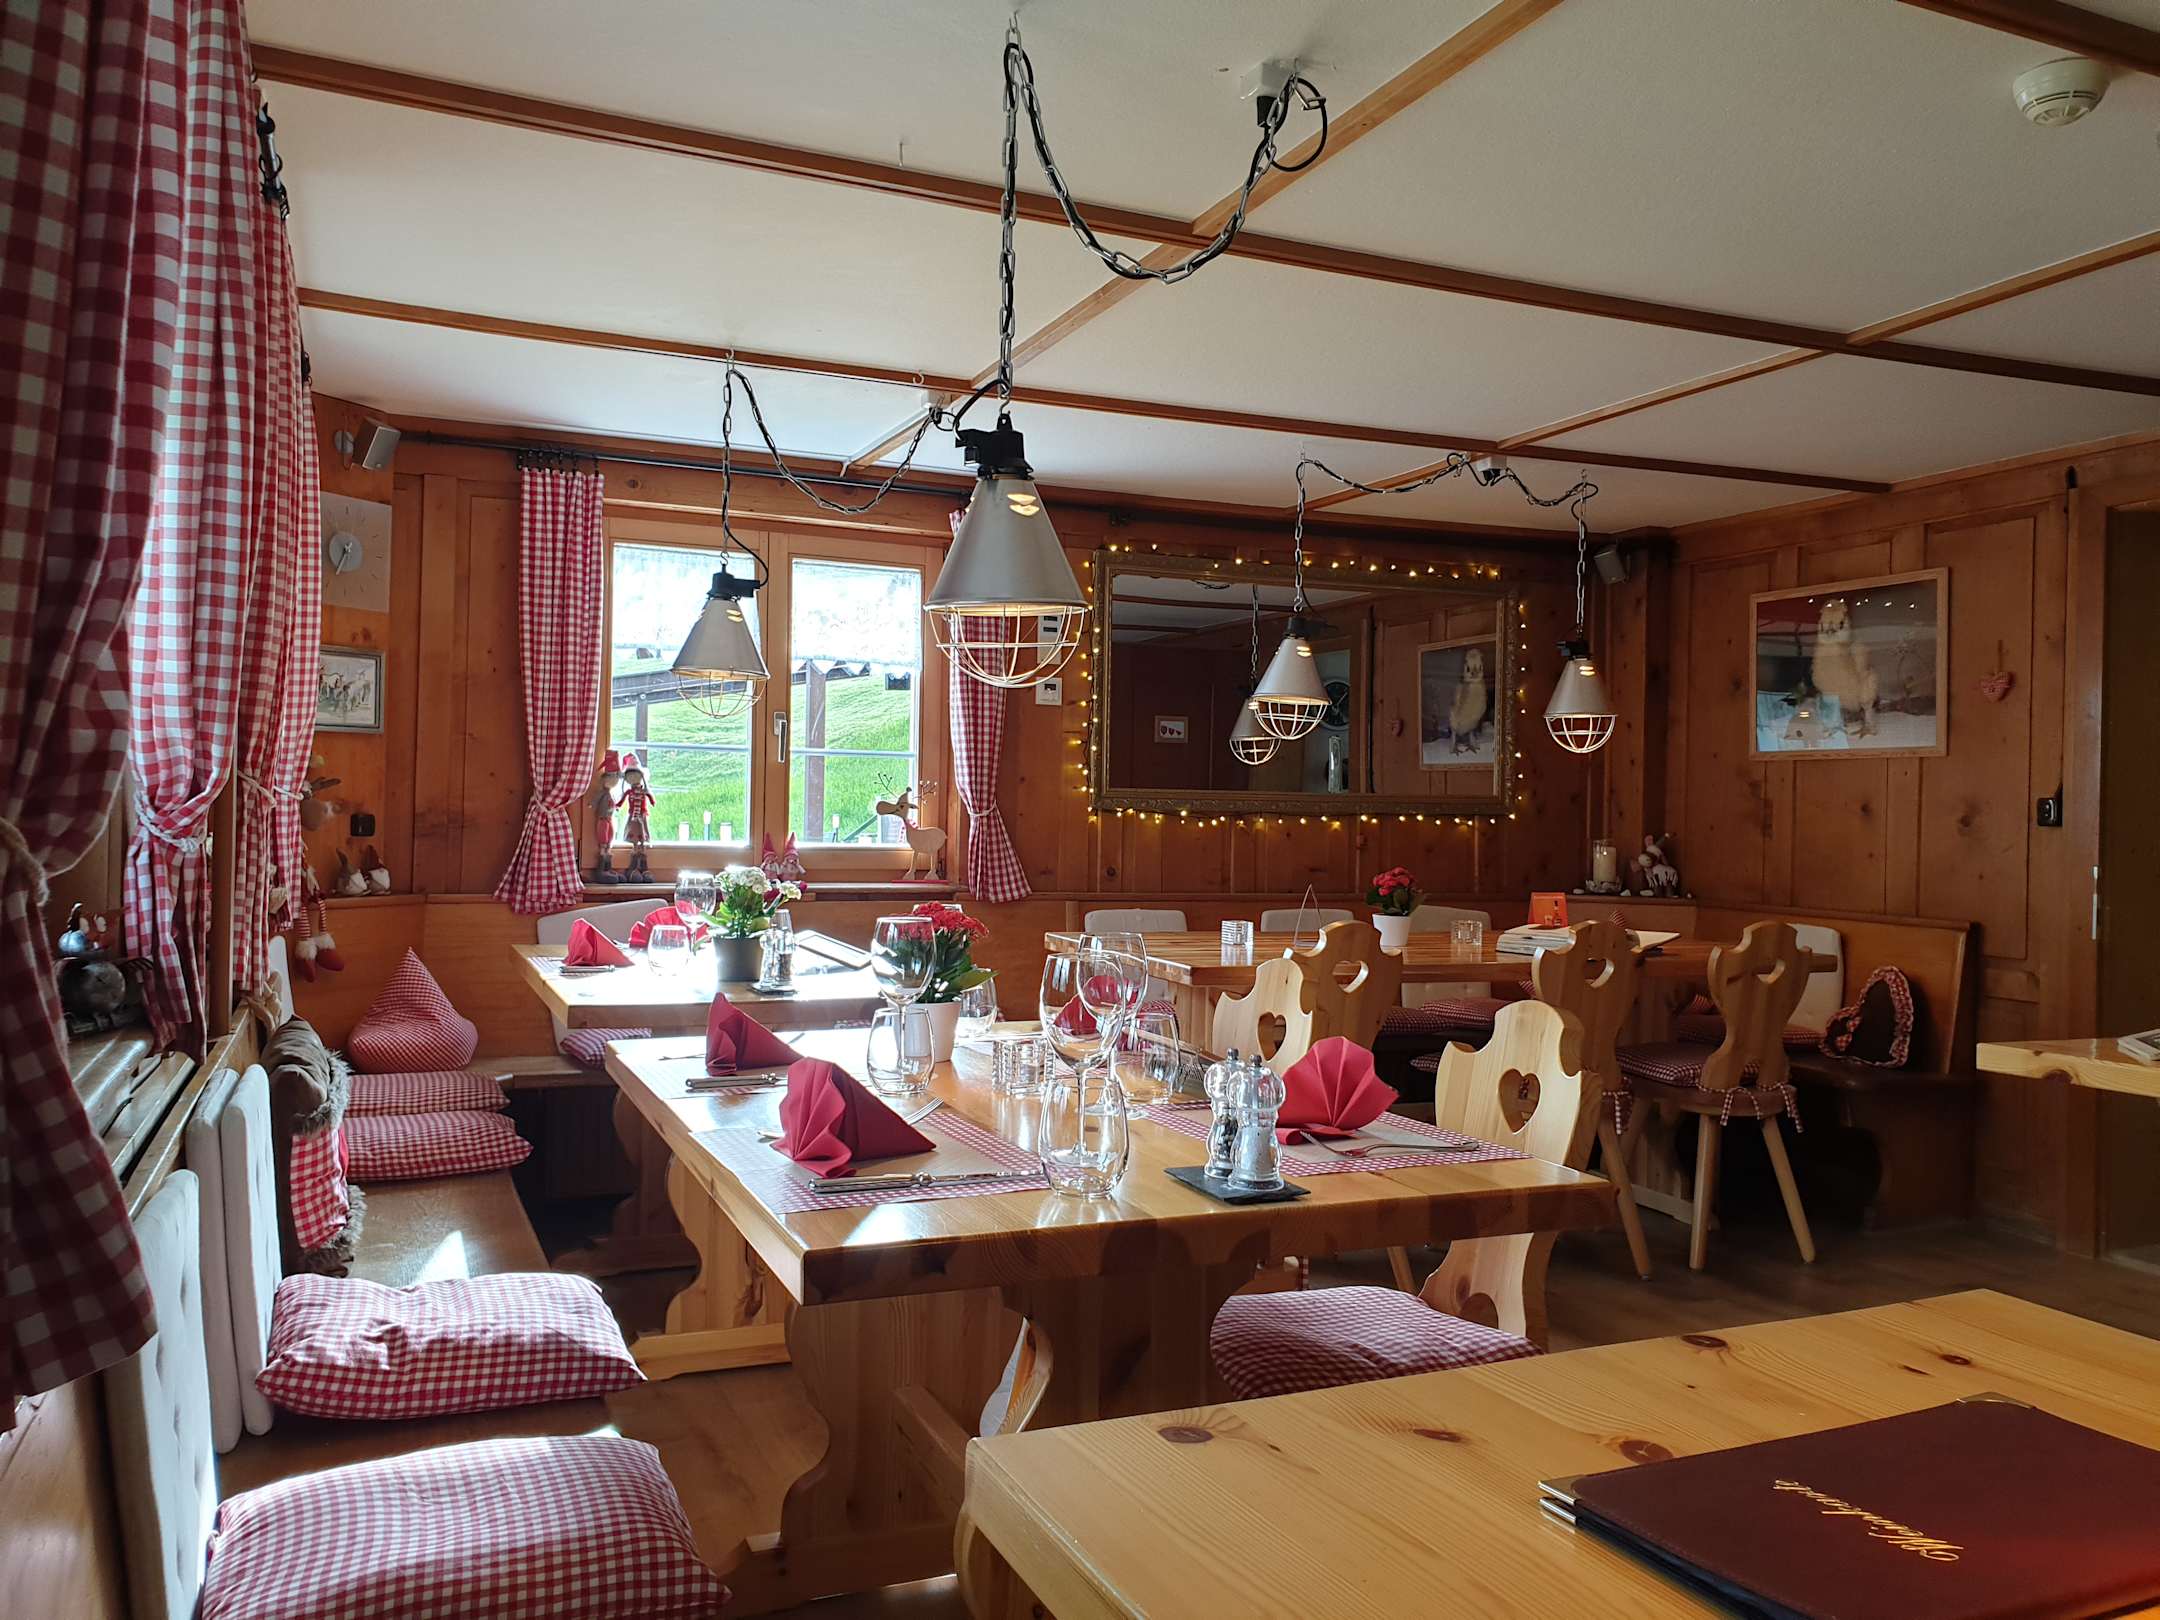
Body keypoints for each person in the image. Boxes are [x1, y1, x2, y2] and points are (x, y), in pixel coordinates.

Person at [619, 751, 655, 881]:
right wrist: (617, 805)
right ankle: (633, 867)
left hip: (641, 816)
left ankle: (644, 867)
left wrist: (652, 801)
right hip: (633, 816)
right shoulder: (629, 792)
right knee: (634, 839)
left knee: (642, 838)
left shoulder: (643, 791)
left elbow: (650, 797)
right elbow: (622, 800)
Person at [589, 750, 624, 883]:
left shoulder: (611, 794)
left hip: (609, 819)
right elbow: (595, 799)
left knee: (610, 837)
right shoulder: (603, 793)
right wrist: (591, 804)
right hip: (603, 819)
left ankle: (608, 867)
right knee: (603, 839)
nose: (614, 781)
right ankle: (601, 869)